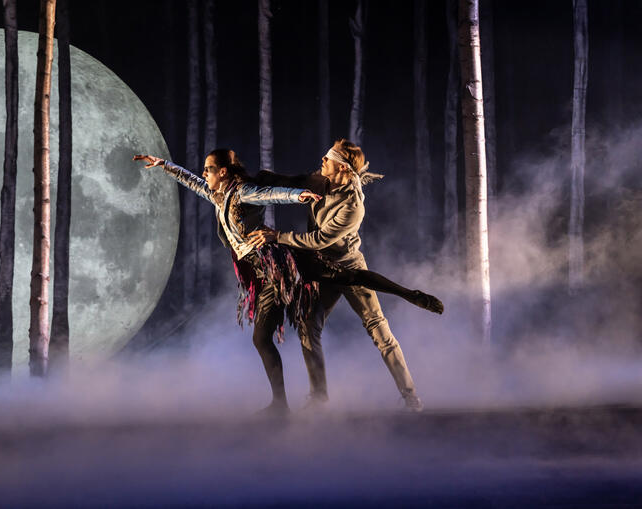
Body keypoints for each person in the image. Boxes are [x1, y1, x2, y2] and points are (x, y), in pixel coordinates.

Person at [247, 139, 436, 412]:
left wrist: (277, 237)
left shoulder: (353, 206)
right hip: (323, 270)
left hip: (348, 269)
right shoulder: (322, 180)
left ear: (343, 169)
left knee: (378, 329)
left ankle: (410, 396)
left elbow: (319, 239)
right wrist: (268, 178)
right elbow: (299, 180)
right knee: (308, 326)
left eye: (328, 159)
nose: (322, 161)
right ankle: (319, 397)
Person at [134, 149, 321, 416]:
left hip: (271, 270)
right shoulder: (219, 195)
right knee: (262, 339)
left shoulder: (242, 191)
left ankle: (285, 404)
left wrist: (296, 196)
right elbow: (192, 181)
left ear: (223, 172)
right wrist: (164, 165)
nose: (204, 173)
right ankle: (285, 402)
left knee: (262, 338)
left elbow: (269, 195)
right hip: (256, 272)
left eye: (208, 169)